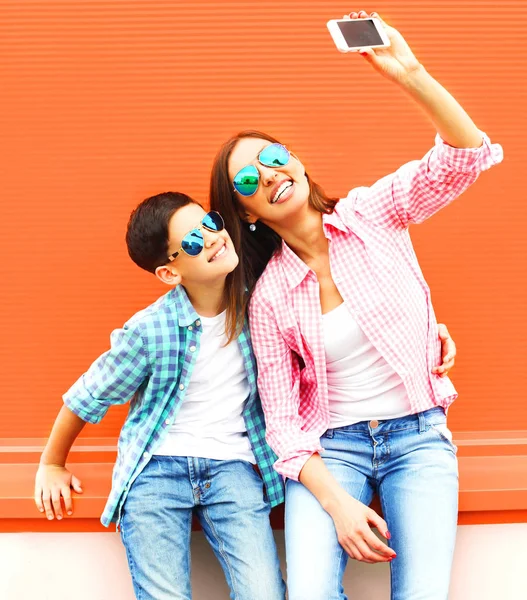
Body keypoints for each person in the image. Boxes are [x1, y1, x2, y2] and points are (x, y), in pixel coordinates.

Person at [209, 11, 503, 600]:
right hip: (331, 449)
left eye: (274, 156)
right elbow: (284, 426)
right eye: (247, 180)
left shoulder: (373, 213)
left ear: (295, 160)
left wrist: (409, 71)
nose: (268, 174)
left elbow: (465, 158)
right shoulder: (267, 296)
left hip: (418, 437)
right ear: (245, 212)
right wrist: (338, 504)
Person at [34, 192, 286, 600]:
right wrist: (51, 463)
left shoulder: (259, 307)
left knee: (264, 592)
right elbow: (87, 395)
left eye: (209, 223)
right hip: (157, 470)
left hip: (232, 468)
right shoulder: (150, 330)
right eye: (190, 242)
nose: (211, 238)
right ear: (170, 274)